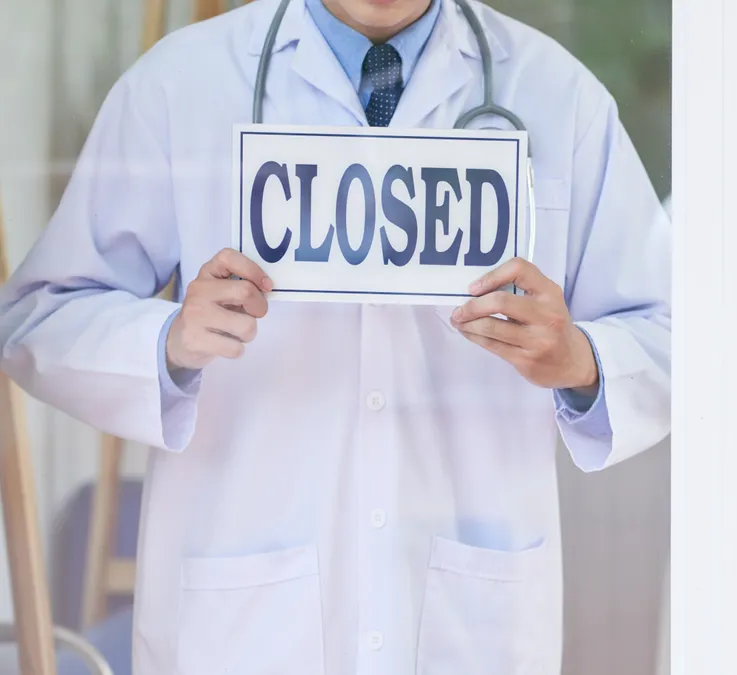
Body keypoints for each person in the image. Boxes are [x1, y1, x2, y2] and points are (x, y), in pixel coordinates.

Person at [0, 0, 670, 672]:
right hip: (246, 624)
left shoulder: (558, 95)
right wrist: (169, 340)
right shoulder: (181, 85)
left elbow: (672, 336)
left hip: (468, 624)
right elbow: (41, 316)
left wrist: (580, 360)